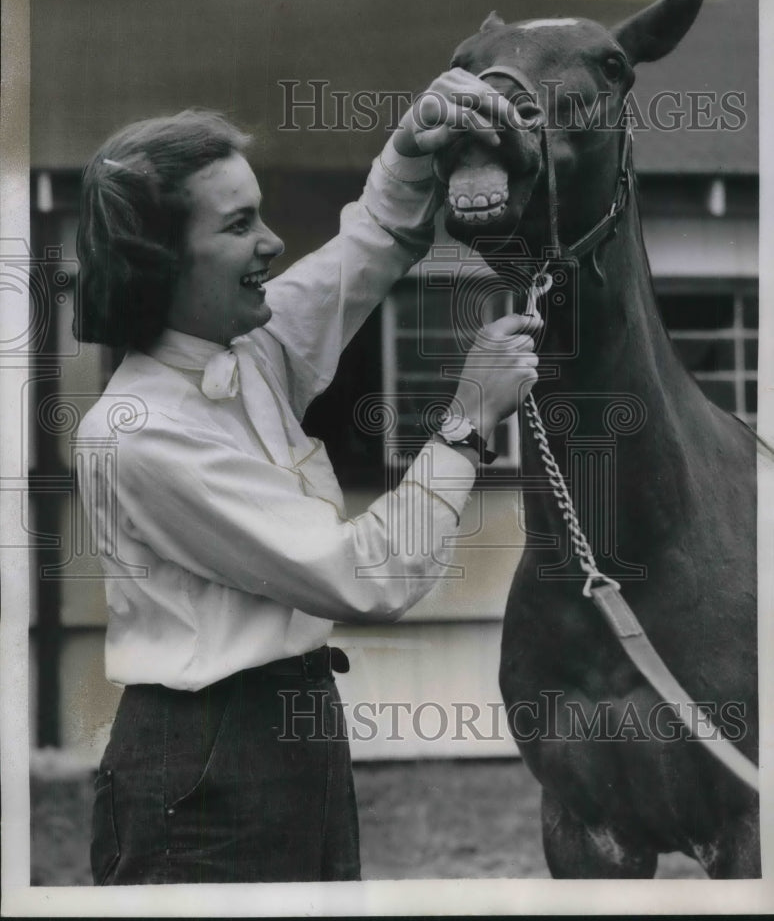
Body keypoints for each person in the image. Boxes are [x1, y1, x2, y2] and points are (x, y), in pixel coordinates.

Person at [75, 69, 541, 885]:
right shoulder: (139, 433)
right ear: (161, 261)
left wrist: (410, 142)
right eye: (240, 225)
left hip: (295, 728)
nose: (273, 244)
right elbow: (360, 576)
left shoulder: (242, 349)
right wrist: (468, 419)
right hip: (203, 763)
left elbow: (363, 254)